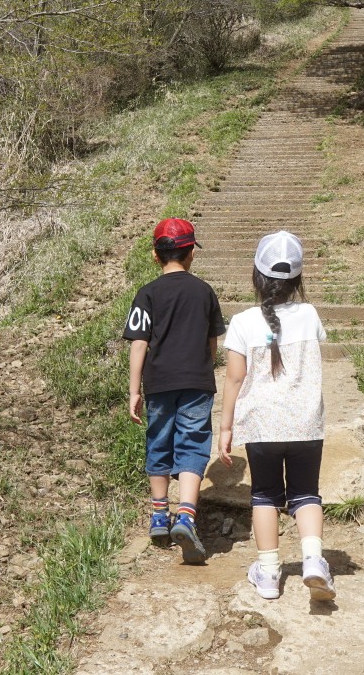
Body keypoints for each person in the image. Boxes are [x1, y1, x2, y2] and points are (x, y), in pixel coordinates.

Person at [217, 230, 334, 601]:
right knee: (306, 494)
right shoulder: (309, 314)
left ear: (256, 275)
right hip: (305, 423)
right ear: (298, 279)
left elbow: (235, 378)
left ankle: (268, 573)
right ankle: (313, 561)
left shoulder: (242, 322)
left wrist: (225, 426)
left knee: (265, 495)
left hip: (261, 425)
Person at [125, 217, 226, 563]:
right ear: (191, 253)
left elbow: (139, 344)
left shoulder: (147, 293)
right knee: (192, 444)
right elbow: (212, 342)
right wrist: (206, 368)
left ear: (155, 254)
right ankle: (185, 516)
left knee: (159, 441)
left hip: (159, 383)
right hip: (197, 381)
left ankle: (158, 515)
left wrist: (134, 391)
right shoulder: (204, 291)